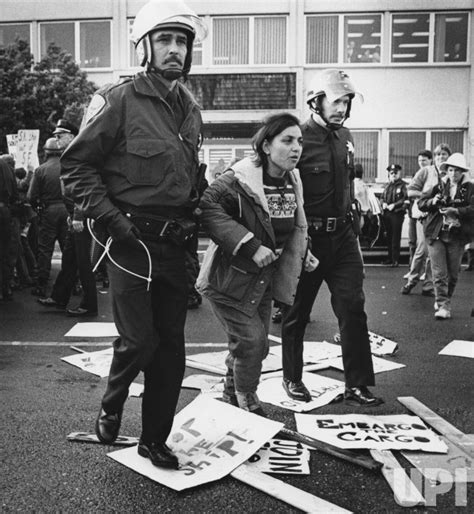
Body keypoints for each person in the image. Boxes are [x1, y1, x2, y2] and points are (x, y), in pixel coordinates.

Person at [60, 0, 207, 470]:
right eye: (164, 40)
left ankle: (153, 439)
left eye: (181, 41)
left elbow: (188, 178)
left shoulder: (190, 109)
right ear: (145, 47)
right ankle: (112, 401)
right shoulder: (118, 99)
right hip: (129, 243)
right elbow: (77, 167)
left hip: (175, 244)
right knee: (140, 341)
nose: (174, 50)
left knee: (172, 352)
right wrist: (113, 224)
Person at [197, 113, 318, 415]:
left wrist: (306, 252)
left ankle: (230, 398)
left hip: (264, 280)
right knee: (252, 344)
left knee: (250, 345)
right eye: (287, 141)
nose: (296, 148)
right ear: (266, 146)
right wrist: (249, 245)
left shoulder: (292, 179)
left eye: (299, 142)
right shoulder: (238, 180)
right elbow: (206, 207)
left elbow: (292, 225)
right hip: (229, 280)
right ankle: (247, 401)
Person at [280, 69, 383, 406]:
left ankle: (357, 384)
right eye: (336, 100)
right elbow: (284, 191)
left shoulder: (345, 137)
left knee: (353, 308)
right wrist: (295, 242)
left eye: (346, 101)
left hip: (343, 237)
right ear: (316, 100)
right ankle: (292, 378)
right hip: (309, 240)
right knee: (297, 312)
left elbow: (347, 185)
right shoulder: (297, 138)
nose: (342, 107)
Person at [38, 119, 98, 317]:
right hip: (73, 214)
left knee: (83, 262)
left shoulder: (78, 154)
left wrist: (78, 216)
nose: (56, 139)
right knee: (70, 259)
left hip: (82, 215)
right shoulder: (71, 154)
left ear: (72, 136)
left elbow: (82, 187)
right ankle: (59, 297)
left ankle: (89, 305)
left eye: (59, 135)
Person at [418, 153, 474, 319]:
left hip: (457, 235)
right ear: (446, 171)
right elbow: (421, 203)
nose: (453, 173)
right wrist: (433, 202)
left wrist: (456, 211)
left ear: (463, 171)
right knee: (439, 272)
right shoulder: (439, 186)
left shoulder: (470, 188)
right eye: (450, 170)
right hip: (436, 233)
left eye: (457, 170)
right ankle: (443, 305)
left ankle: (444, 299)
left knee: (453, 273)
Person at [401, 143, 451, 295]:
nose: (441, 157)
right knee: (422, 251)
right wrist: (428, 196)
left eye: (444, 154)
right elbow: (410, 192)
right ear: (433, 158)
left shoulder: (452, 173)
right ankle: (412, 280)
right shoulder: (426, 171)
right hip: (427, 217)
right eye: (438, 154)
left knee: (435, 255)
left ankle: (428, 286)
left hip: (444, 220)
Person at [27, 137, 70, 297]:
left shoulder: (41, 170)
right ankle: (74, 283)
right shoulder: (68, 168)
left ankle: (42, 284)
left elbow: (31, 196)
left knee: (45, 249)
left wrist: (37, 209)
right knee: (69, 248)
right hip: (67, 209)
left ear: (46, 152)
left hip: (49, 211)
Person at [405, 150, 433, 270]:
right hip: (415, 211)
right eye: (420, 160)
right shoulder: (418, 174)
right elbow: (410, 192)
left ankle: (424, 271)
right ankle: (413, 269)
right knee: (413, 242)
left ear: (430, 160)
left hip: (427, 211)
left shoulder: (432, 174)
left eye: (424, 160)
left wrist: (423, 195)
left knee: (425, 245)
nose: (421, 163)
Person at [381, 163, 407, 267]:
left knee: (395, 237)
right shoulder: (387, 186)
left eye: (395, 173)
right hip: (387, 214)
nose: (393, 175)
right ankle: (389, 258)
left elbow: (405, 199)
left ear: (399, 174)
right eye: (391, 173)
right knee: (389, 236)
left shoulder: (403, 185)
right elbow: (382, 197)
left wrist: (394, 205)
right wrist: (383, 203)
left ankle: (395, 259)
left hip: (397, 214)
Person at [0, 158, 19, 301]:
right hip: (5, 211)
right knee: (4, 251)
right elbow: (15, 195)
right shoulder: (6, 167)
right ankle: (5, 287)